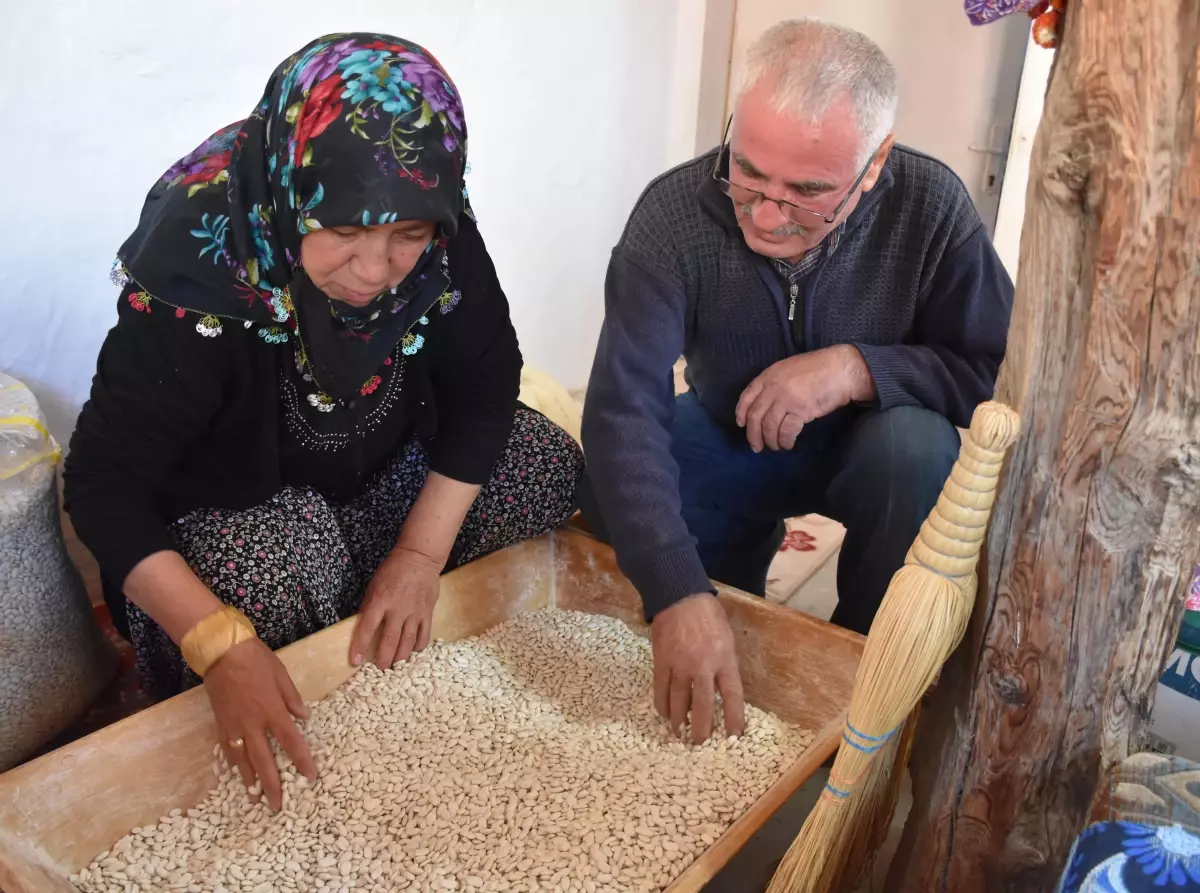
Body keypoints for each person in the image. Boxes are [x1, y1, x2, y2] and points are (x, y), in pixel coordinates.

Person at [64, 33, 583, 808]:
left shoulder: (434, 219)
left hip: (379, 478)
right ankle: (299, 633)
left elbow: (484, 379)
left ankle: (356, 602)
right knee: (272, 583)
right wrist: (219, 642)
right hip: (241, 508)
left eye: (406, 235)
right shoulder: (200, 268)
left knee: (544, 461)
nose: (374, 271)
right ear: (290, 192)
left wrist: (416, 557)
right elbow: (103, 485)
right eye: (343, 231)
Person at [580, 19, 1013, 743]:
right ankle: (727, 600)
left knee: (915, 450)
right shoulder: (673, 215)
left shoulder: (930, 206)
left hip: (876, 450)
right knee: (617, 481)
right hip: (735, 435)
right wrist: (676, 590)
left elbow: (994, 372)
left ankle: (858, 673)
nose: (768, 214)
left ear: (875, 166)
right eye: (747, 173)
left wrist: (857, 369)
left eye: (808, 192)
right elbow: (622, 408)